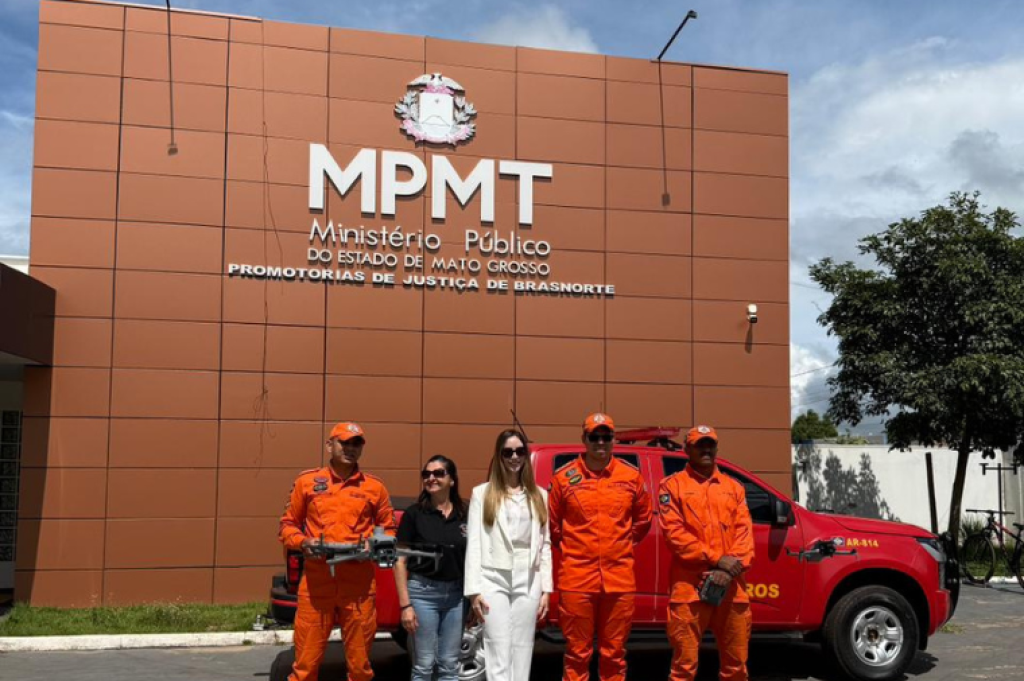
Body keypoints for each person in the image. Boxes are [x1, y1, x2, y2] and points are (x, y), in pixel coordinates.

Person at [279, 422, 396, 681]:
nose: (350, 449)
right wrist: (303, 542)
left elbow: (389, 528)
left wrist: (376, 543)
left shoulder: (374, 487)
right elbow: (287, 525)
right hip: (317, 585)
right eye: (344, 443)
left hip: (358, 587)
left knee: (360, 669)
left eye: (356, 444)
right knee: (304, 667)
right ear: (329, 445)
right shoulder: (307, 482)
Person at [548, 413, 653, 681]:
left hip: (619, 580)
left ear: (614, 439)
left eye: (606, 436)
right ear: (584, 439)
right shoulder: (564, 478)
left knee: (614, 654)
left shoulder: (631, 477)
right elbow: (553, 526)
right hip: (577, 579)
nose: (601, 442)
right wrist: (578, 549)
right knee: (577, 653)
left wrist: (619, 545)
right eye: (595, 436)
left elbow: (643, 521)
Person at [658, 425, 754, 681]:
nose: (706, 449)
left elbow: (744, 534)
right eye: (699, 445)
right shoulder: (671, 486)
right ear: (686, 449)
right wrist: (718, 560)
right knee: (684, 668)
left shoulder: (734, 488)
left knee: (736, 668)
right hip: (689, 590)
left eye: (710, 444)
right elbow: (675, 535)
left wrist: (727, 571)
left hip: (732, 588)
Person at [464, 429, 552, 681]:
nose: (514, 457)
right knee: (497, 646)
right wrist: (474, 591)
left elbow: (545, 543)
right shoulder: (482, 494)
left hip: (529, 578)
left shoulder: (540, 495)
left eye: (520, 451)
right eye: (508, 452)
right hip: (493, 577)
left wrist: (546, 589)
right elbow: (474, 543)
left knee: (523, 648)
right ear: (499, 456)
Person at [393, 455, 469, 681]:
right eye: (426, 474)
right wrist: (405, 605)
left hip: (457, 597)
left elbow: (475, 557)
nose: (431, 478)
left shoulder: (466, 513)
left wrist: (474, 597)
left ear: (452, 480)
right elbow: (400, 561)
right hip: (423, 595)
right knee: (424, 665)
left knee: (449, 664)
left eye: (438, 473)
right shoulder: (414, 514)